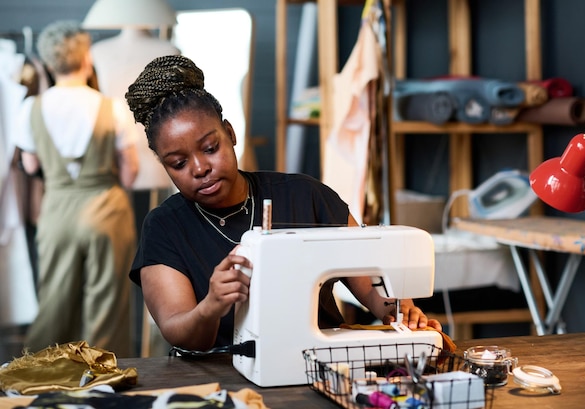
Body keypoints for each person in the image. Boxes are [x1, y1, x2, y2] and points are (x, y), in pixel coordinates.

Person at [125, 54, 441, 352]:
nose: (199, 169)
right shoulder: (164, 227)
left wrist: (400, 310)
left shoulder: (305, 196)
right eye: (178, 163)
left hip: (317, 364)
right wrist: (211, 306)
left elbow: (372, 287)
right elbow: (182, 334)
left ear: (231, 133)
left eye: (209, 148)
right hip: (217, 377)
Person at [15, 20, 139, 357]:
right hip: (107, 211)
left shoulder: (31, 108)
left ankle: (40, 375)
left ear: (49, 64)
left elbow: (30, 166)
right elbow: (129, 176)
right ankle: (102, 377)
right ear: (86, 59)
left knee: (55, 299)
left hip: (56, 213)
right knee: (107, 302)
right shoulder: (112, 108)